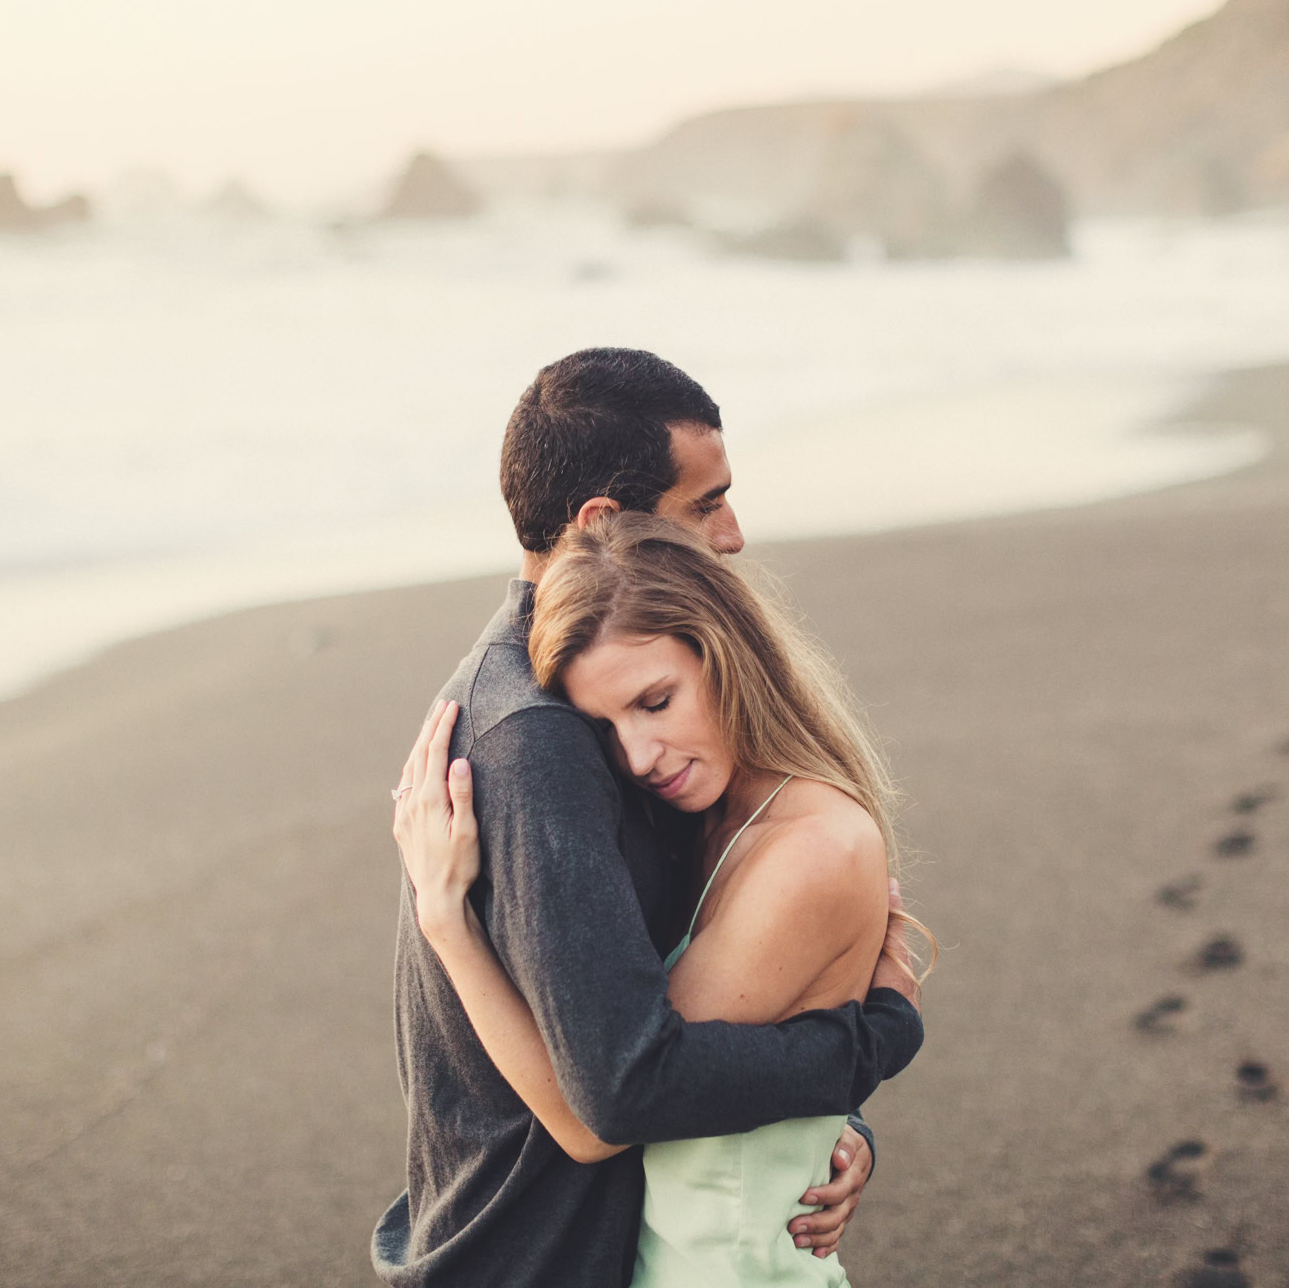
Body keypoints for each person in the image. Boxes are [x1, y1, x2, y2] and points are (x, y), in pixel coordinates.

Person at [372, 348, 925, 1287]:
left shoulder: (587, 690)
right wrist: (868, 1042)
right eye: (704, 503)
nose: (734, 533)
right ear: (604, 524)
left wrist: (820, 1130)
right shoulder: (538, 741)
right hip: (534, 1255)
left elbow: (706, 993)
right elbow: (617, 1094)